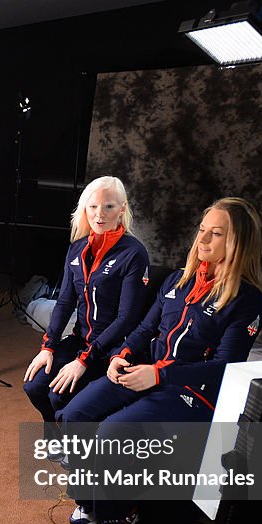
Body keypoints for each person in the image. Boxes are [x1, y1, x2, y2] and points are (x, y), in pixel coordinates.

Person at [61, 197, 262, 524]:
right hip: (148, 371)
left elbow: (223, 367)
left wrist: (159, 375)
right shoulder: (177, 280)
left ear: (238, 243)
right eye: (202, 230)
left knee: (113, 433)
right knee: (75, 413)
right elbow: (144, 328)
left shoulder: (247, 300)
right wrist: (121, 355)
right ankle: (91, 500)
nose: (202, 240)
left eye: (216, 234)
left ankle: (119, 511)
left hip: (190, 392)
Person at [22, 176, 150, 458]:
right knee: (34, 386)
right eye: (93, 206)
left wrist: (83, 361)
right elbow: (65, 302)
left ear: (122, 209)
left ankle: (76, 448)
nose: (99, 214)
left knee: (59, 394)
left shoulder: (134, 254)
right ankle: (54, 433)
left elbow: (127, 318)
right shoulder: (77, 249)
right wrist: (48, 346)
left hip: (112, 349)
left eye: (108, 206)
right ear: (84, 209)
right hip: (81, 340)